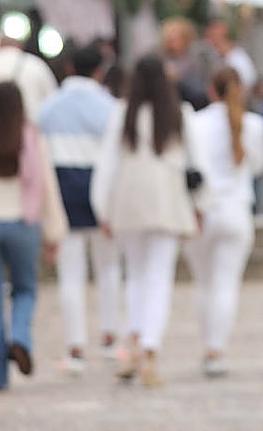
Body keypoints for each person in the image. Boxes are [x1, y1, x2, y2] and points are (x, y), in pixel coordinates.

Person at [91, 55, 204, 387]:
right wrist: (201, 206)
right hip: (168, 199)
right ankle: (150, 348)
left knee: (137, 275)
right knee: (159, 277)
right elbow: (198, 165)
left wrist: (102, 209)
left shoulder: (123, 113)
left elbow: (107, 164)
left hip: (130, 199)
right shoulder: (179, 113)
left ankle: (135, 340)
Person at [0, 82, 68, 390]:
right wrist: (53, 232)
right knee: (25, 290)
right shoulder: (30, 136)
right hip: (23, 224)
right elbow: (44, 184)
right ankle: (20, 336)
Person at [35, 43, 122, 372]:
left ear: (70, 68)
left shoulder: (49, 107)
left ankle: (75, 346)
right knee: (109, 268)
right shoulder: (110, 107)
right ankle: (110, 337)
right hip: (101, 194)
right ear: (99, 71)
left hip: (64, 194)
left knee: (70, 274)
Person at [185, 67, 263, 378]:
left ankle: (209, 344)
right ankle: (216, 349)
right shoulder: (254, 125)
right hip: (236, 211)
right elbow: (259, 165)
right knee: (225, 284)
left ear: (211, 90)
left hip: (203, 210)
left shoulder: (195, 123)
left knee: (204, 284)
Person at [205, 19, 258, 94]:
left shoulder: (239, 58)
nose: (210, 40)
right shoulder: (213, 57)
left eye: (214, 36)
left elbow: (248, 82)